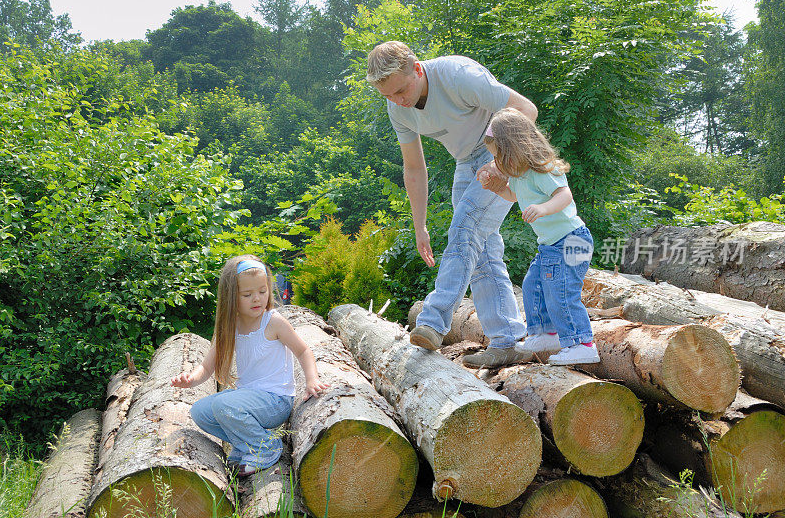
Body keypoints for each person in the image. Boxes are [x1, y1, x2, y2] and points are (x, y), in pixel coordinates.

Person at [366, 41, 536, 368]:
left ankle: (433, 321)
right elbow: (414, 168)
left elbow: (527, 110)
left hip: (504, 148)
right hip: (465, 162)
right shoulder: (397, 109)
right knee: (482, 251)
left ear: (417, 69)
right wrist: (420, 226)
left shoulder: (458, 75)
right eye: (387, 96)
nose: (398, 101)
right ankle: (508, 341)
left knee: (465, 229)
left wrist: (499, 164)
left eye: (401, 91)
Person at [171, 255, 328, 476]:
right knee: (200, 412)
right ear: (231, 297)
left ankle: (266, 447)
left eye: (262, 292)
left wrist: (312, 379)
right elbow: (207, 367)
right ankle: (246, 444)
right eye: (247, 294)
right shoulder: (230, 326)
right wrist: (190, 380)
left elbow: (303, 351)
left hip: (276, 400)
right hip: (248, 399)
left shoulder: (273, 321)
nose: (257, 299)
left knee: (225, 404)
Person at [477, 108, 599, 365]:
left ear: (514, 149)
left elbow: (564, 195)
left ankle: (582, 343)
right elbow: (513, 196)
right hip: (551, 245)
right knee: (533, 284)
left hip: (571, 239)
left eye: (499, 157)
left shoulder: (544, 170)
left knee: (561, 291)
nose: (498, 163)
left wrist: (543, 208)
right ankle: (546, 332)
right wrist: (497, 186)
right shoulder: (519, 176)